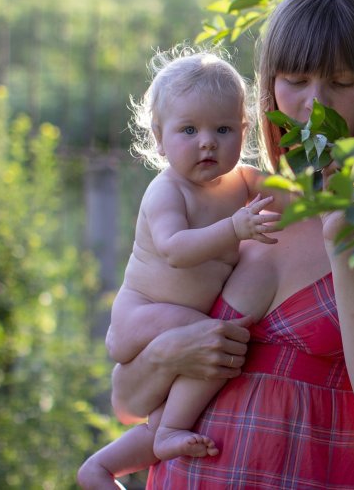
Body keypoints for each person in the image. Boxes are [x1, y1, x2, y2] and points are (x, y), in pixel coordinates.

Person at [107, 0, 354, 489]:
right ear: (268, 87)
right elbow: (128, 403)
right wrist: (169, 352)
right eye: (297, 79)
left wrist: (343, 252)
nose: (317, 102)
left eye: (342, 81)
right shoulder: (236, 199)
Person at [77, 47, 281, 489]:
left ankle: (103, 466)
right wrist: (235, 227)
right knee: (217, 340)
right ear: (159, 136)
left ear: (243, 132)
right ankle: (168, 430)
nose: (207, 141)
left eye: (222, 129)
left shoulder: (242, 182)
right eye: (189, 129)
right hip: (143, 314)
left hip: (174, 320)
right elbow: (174, 249)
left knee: (209, 349)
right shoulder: (167, 190)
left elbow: (298, 204)